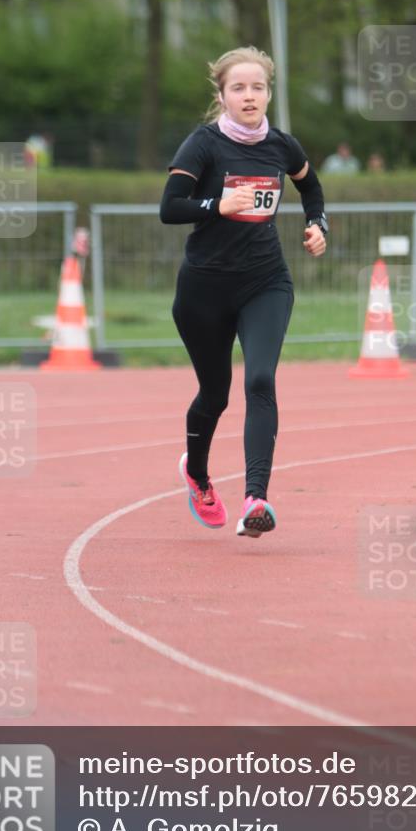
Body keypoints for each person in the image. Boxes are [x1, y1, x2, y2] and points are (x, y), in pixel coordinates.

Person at [159, 46, 328, 538]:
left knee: (260, 381)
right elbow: (170, 208)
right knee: (215, 394)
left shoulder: (282, 146)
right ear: (222, 95)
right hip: (204, 289)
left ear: (268, 92)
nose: (249, 96)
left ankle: (257, 497)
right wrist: (217, 203)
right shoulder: (203, 145)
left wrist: (317, 223)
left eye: (257, 87)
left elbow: (310, 187)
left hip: (264, 282)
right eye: (238, 88)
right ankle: (197, 473)